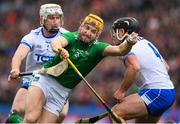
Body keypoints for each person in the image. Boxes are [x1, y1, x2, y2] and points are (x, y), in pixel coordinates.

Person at [22, 13, 138, 123]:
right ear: (81, 26)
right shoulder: (71, 37)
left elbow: (119, 50)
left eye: (93, 31)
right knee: (31, 118)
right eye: (86, 28)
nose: (88, 33)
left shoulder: (98, 48)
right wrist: (60, 50)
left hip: (62, 92)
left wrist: (129, 42)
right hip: (44, 80)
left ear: (97, 35)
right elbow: (56, 42)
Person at [7, 3, 69, 123]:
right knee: (16, 111)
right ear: (42, 20)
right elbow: (19, 54)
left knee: (61, 115)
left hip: (56, 85)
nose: (55, 21)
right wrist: (15, 68)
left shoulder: (67, 36)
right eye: (51, 18)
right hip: (32, 82)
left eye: (58, 18)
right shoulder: (33, 36)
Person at [110, 17, 176, 122]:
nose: (113, 36)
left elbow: (134, 67)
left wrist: (121, 91)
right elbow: (166, 67)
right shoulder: (146, 42)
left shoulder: (126, 46)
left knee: (115, 113)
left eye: (114, 32)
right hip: (167, 91)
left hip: (156, 92)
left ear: (122, 31)